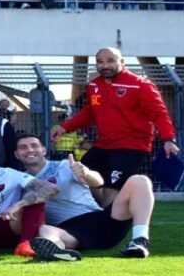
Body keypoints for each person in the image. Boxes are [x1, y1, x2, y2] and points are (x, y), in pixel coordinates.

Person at [50, 47, 177, 207]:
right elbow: (90, 112)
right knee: (81, 177)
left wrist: (168, 139)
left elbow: (159, 114)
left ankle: (110, 222)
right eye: (100, 62)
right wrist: (64, 127)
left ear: (122, 62)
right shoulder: (94, 86)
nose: (104, 65)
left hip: (132, 145)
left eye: (110, 61)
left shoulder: (140, 85)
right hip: (104, 144)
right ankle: (105, 216)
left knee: (112, 188)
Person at [15, 134, 154, 260]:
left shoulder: (64, 166)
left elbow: (99, 182)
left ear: (43, 150)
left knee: (140, 180)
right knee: (45, 230)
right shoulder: (18, 180)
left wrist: (86, 173)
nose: (30, 150)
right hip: (70, 230)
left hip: (100, 220)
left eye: (34, 146)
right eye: (23, 147)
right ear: (16, 154)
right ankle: (57, 252)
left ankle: (139, 240)